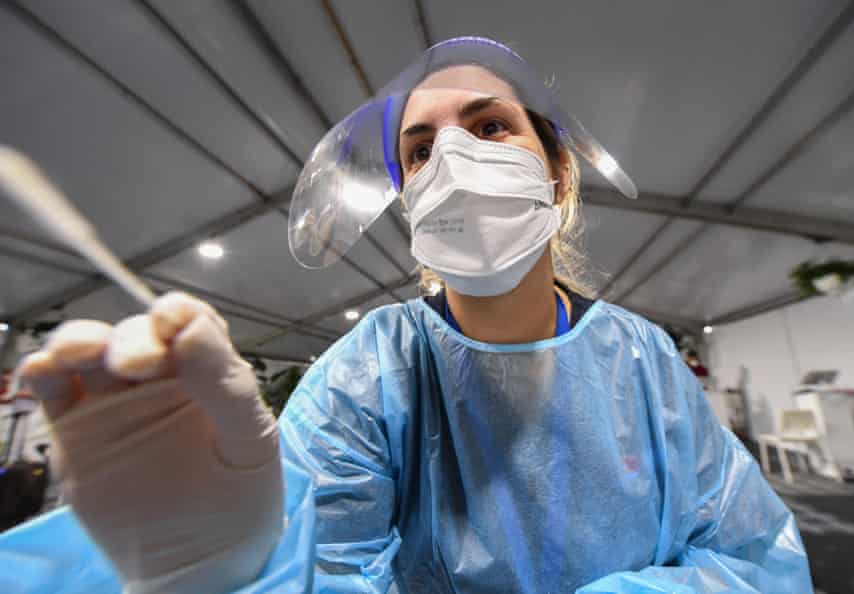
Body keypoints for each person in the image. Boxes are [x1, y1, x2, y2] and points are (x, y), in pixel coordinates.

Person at [0, 37, 812, 593]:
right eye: (421, 150)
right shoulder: (374, 366)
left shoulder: (646, 361)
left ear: (558, 176)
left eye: (491, 126)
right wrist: (221, 570)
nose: (453, 160)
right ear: (410, 199)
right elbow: (323, 566)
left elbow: (756, 558)